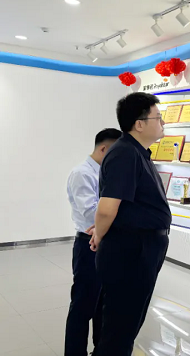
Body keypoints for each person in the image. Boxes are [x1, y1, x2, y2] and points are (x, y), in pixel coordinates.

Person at [90, 92, 171, 356]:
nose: (162, 123)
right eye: (158, 118)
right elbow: (107, 209)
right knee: (121, 325)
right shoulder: (125, 153)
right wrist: (99, 235)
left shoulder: (137, 152)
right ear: (139, 124)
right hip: (132, 249)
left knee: (124, 321)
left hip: (139, 246)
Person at [64, 128, 121, 356]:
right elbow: (90, 212)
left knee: (102, 304)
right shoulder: (82, 173)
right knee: (83, 305)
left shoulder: (105, 173)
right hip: (88, 244)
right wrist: (115, 216)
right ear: (104, 149)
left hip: (106, 242)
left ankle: (100, 349)